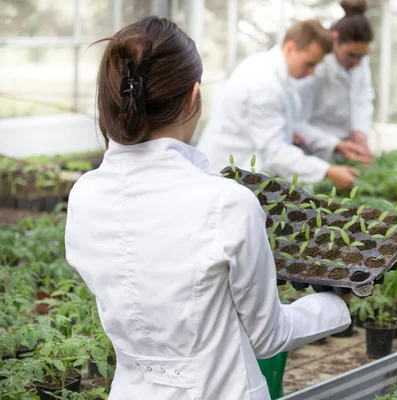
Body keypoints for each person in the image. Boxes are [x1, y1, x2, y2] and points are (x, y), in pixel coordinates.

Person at [65, 17, 350, 400]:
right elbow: (269, 336)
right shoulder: (228, 204)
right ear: (193, 96)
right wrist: (335, 300)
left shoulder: (84, 196)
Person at [196, 19, 364, 190]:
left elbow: (294, 124)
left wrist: (336, 145)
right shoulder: (263, 82)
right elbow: (274, 151)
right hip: (225, 174)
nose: (312, 72)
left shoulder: (281, 76)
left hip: (243, 176)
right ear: (290, 48)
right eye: (309, 64)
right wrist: (328, 171)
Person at [297, 0, 375, 164]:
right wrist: (335, 144)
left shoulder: (359, 62)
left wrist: (359, 133)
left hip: (346, 147)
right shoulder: (316, 66)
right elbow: (297, 121)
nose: (358, 63)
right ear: (335, 40)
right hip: (311, 150)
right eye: (351, 55)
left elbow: (363, 98)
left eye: (363, 56)